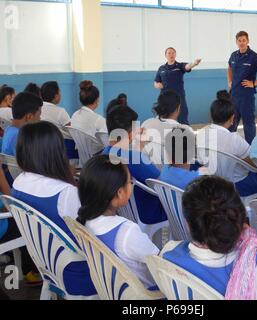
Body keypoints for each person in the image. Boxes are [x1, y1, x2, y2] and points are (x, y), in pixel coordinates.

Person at [12, 121, 97, 297]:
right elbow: (92, 236)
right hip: (78, 274)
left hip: (47, 265)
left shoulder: (19, 181)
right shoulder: (66, 193)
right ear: (56, 152)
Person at [77, 155, 159, 289]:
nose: (131, 184)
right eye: (130, 181)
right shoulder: (126, 232)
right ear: (120, 193)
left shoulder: (85, 220)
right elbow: (159, 265)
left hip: (112, 290)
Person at [197, 90, 257, 198]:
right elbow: (254, 164)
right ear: (232, 118)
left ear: (211, 116)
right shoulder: (234, 139)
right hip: (236, 184)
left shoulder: (201, 133)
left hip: (211, 180)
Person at [103, 106, 167, 225]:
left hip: (122, 210)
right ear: (130, 133)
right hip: (147, 212)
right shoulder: (133, 158)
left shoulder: (105, 153)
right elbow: (161, 182)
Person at [227, 31, 257, 144]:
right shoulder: (233, 55)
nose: (241, 43)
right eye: (239, 41)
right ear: (236, 42)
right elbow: (229, 67)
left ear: (248, 41)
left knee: (248, 124)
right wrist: (229, 81)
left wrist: (255, 83)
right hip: (234, 95)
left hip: (246, 96)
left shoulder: (253, 57)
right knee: (231, 123)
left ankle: (250, 148)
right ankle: (230, 146)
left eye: (244, 40)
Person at [142, 90, 193, 167]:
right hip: (171, 176)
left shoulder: (146, 123)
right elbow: (188, 162)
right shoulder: (184, 130)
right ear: (178, 108)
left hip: (146, 176)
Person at [154, 47, 201, 125]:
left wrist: (194, 63)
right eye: (169, 53)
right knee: (164, 118)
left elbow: (187, 66)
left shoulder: (179, 66)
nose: (171, 55)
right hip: (165, 98)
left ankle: (185, 133)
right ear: (165, 55)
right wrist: (157, 85)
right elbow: (156, 82)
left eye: (173, 53)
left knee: (182, 117)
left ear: (175, 55)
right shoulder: (161, 68)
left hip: (178, 98)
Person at [2, 92, 42, 157]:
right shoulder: (22, 137)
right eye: (39, 115)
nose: (40, 119)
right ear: (29, 116)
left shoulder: (8, 129)